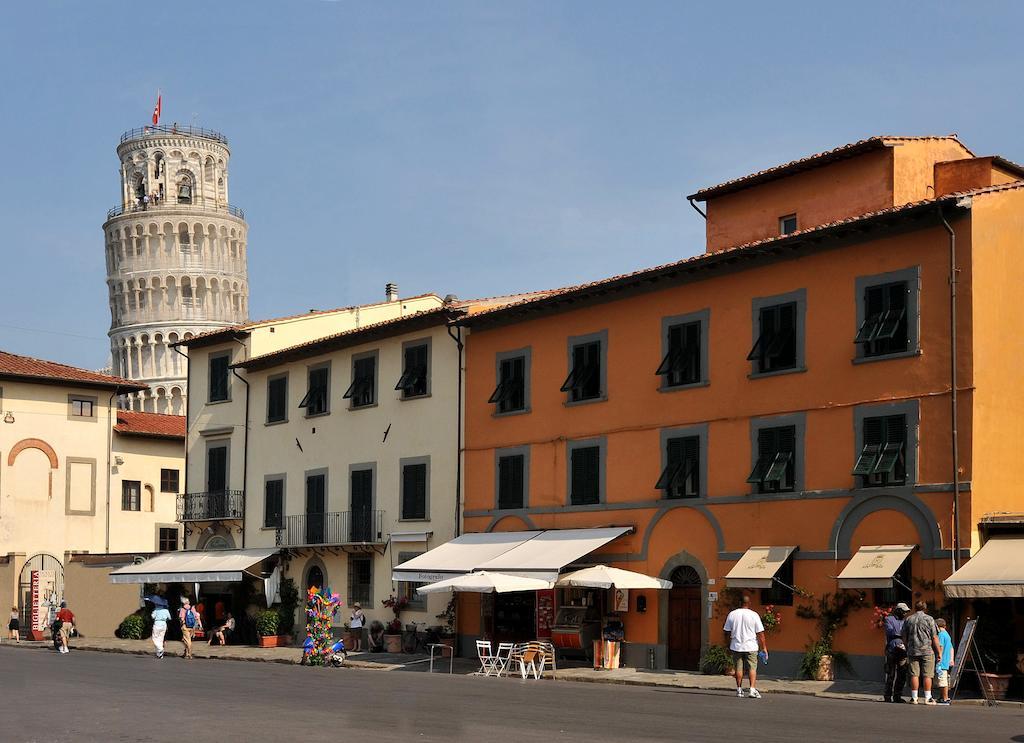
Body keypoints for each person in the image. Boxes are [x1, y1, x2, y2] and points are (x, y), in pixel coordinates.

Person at [723, 595, 768, 698]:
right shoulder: (754, 615)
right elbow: (760, 633)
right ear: (749, 603)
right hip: (751, 646)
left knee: (738, 668)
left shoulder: (732, 614)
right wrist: (764, 647)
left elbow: (726, 632)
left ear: (739, 603)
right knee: (752, 667)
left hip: (736, 645)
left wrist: (727, 645)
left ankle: (739, 689)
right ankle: (752, 689)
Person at [902, 600, 941, 705]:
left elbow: (904, 637)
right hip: (927, 651)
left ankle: (914, 698)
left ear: (915, 608)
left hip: (913, 650)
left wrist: (907, 647)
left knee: (914, 674)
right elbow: (934, 637)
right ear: (925, 608)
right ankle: (928, 698)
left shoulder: (908, 619)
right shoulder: (929, 619)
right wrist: (939, 652)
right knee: (927, 675)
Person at [883, 602, 910, 703]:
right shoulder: (889, 619)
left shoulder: (906, 621)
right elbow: (890, 632)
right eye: (903, 612)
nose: (905, 614)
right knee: (891, 674)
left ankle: (897, 695)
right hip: (892, 649)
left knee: (902, 673)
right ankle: (887, 695)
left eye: (906, 612)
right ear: (898, 610)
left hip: (903, 650)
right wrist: (902, 635)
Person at [935, 617, 955, 705]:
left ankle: (945, 698)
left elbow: (941, 646)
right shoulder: (947, 634)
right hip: (946, 660)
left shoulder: (941, 635)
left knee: (942, 681)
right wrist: (951, 659)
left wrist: (939, 656)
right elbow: (951, 648)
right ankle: (942, 697)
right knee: (943, 679)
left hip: (941, 661)